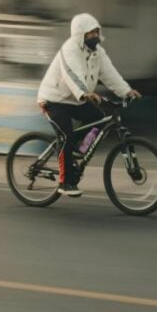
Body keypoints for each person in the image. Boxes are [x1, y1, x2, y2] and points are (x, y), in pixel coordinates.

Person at [37, 13, 141, 196]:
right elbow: (72, 74)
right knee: (66, 136)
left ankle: (78, 151)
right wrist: (85, 93)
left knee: (99, 119)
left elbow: (110, 74)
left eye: (96, 32)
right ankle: (64, 182)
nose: (95, 36)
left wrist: (126, 91)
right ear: (80, 34)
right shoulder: (69, 49)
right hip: (54, 99)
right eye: (91, 32)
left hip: (76, 100)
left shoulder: (98, 53)